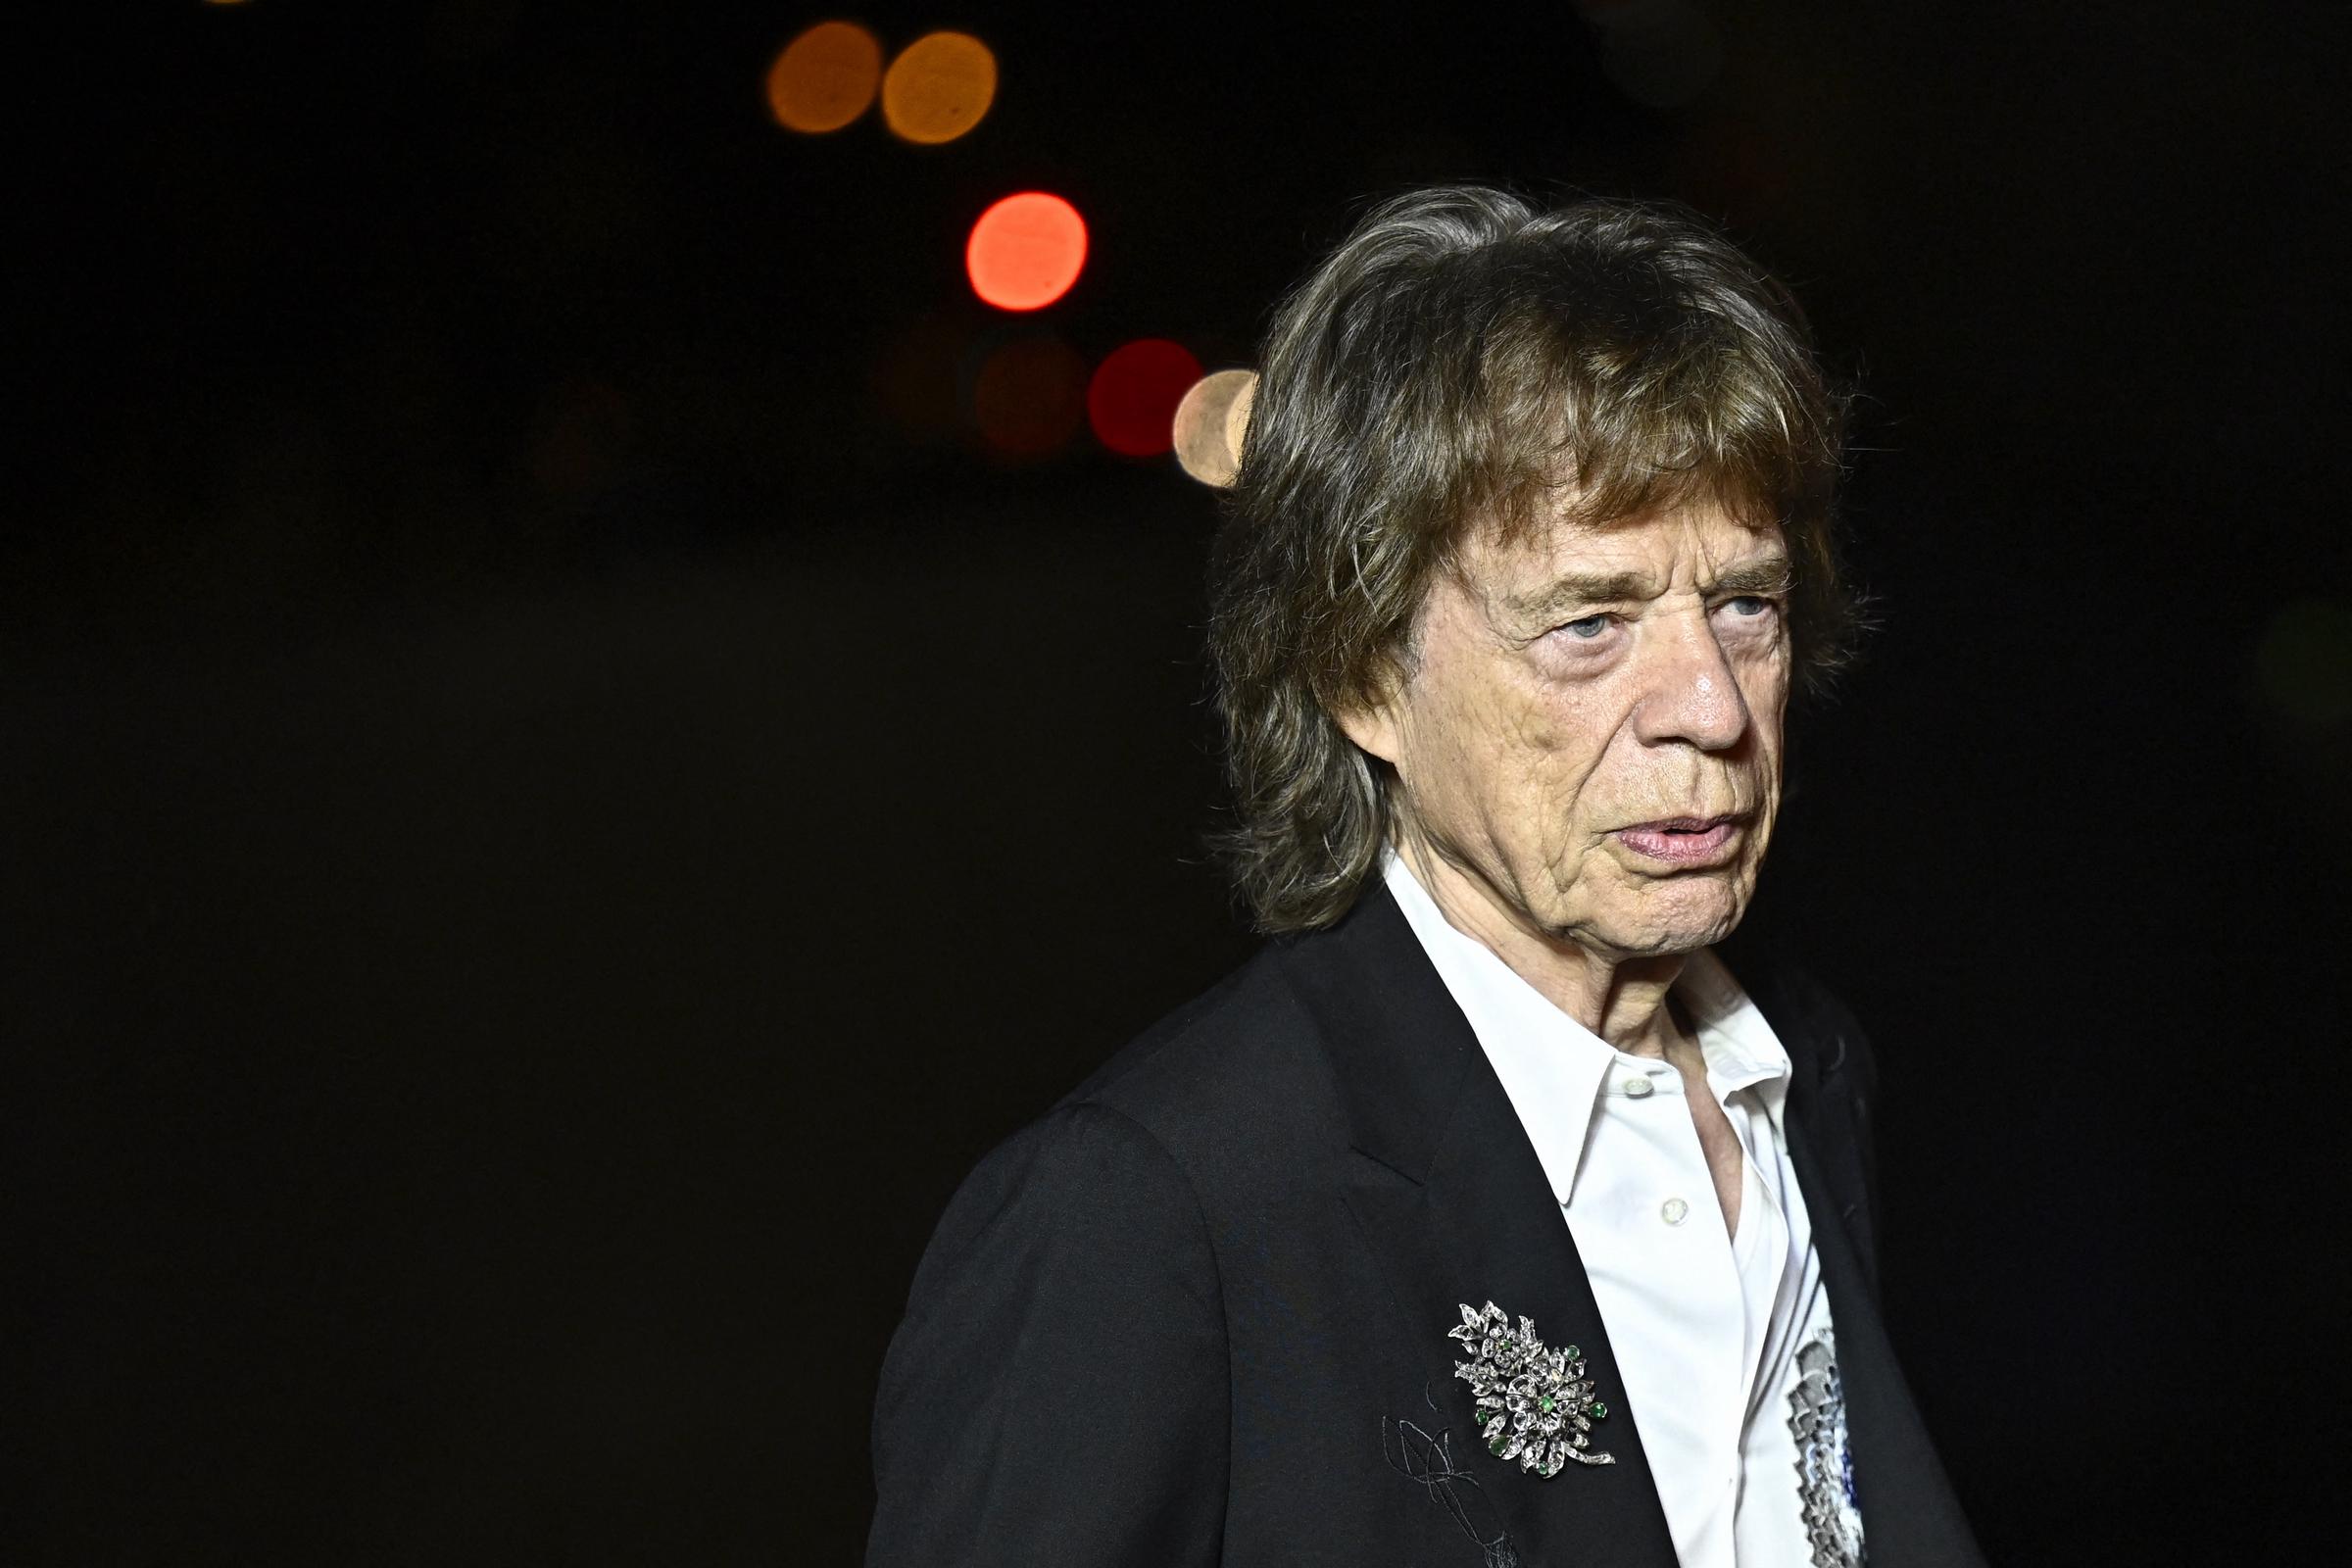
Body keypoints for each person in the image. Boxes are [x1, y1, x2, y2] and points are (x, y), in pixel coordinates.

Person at [865, 185, 1985, 1568]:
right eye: (1590, 621)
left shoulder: (1803, 1072)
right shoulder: (1155, 1212)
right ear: (1361, 677)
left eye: (1744, 603)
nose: (1709, 701)